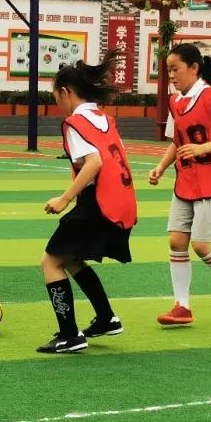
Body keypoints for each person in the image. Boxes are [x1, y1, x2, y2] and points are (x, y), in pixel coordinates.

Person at [37, 58, 137, 354]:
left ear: (66, 92)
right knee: (70, 258)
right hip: (120, 202)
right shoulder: (105, 119)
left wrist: (64, 198)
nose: (56, 102)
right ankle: (106, 318)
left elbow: (94, 163)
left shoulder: (75, 123)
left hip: (96, 202)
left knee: (50, 262)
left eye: (55, 95)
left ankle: (69, 335)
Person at [149, 44, 211, 328]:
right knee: (177, 241)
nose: (171, 75)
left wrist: (201, 147)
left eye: (175, 69)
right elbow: (176, 141)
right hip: (186, 181)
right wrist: (161, 167)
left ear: (193, 68)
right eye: (168, 70)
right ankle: (182, 307)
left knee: (201, 244)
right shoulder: (175, 102)